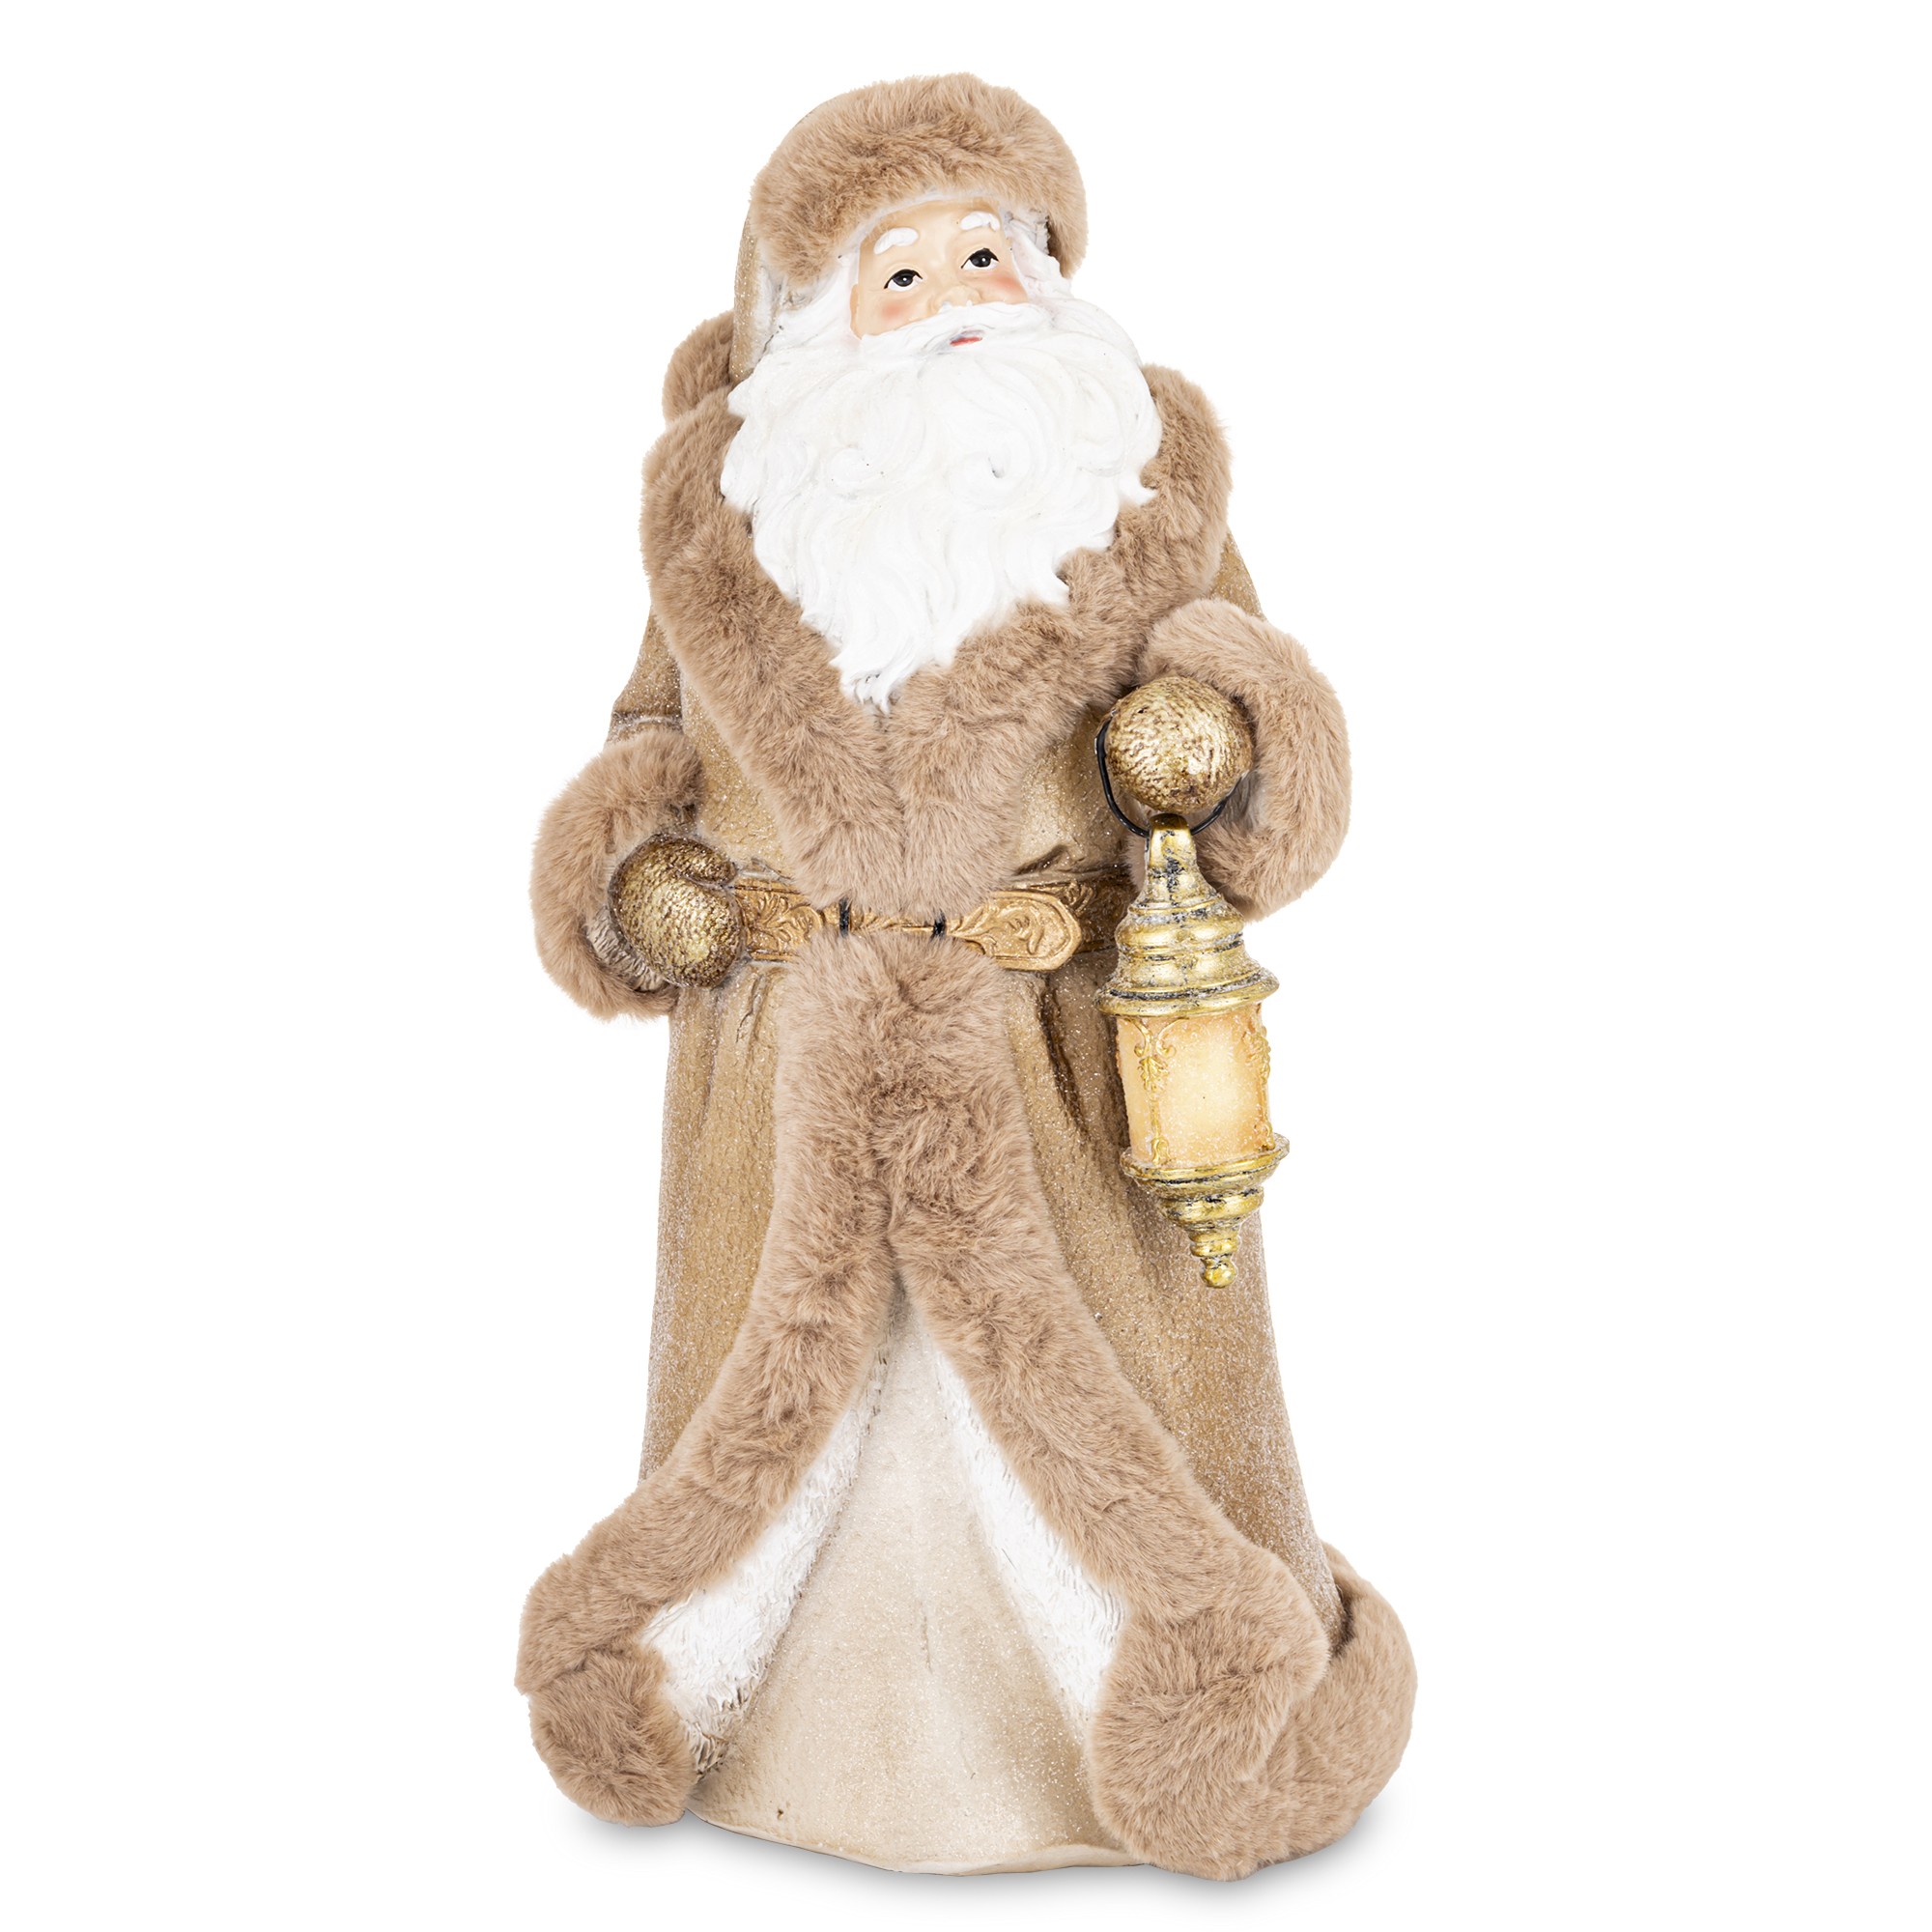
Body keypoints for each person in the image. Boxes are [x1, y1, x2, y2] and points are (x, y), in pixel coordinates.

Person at [518, 73, 1413, 1879]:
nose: (953, 302)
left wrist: (1217, 730)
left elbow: (1263, 727)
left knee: (1114, 1412)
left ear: (1050, 273)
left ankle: (1167, 1713)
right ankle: (768, 1720)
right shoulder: (729, 519)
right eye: (900, 271)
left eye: (985, 254)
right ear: (808, 317)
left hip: (1058, 1057)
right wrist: (634, 877)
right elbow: (645, 745)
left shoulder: (1137, 482)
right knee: (782, 1403)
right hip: (786, 1071)